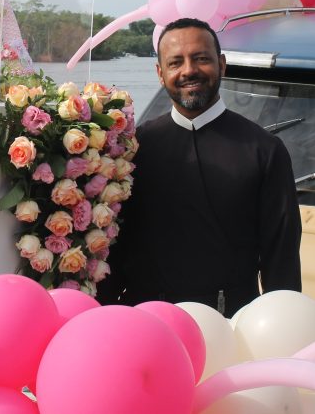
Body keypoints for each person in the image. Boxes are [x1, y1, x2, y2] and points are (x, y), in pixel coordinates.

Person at [96, 17, 302, 316]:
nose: (189, 70)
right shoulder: (132, 147)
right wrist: (101, 315)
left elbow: (281, 258)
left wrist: (283, 326)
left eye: (201, 59)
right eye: (176, 62)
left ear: (222, 64)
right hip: (143, 321)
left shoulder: (264, 150)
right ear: (160, 73)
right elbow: (113, 245)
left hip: (228, 323)